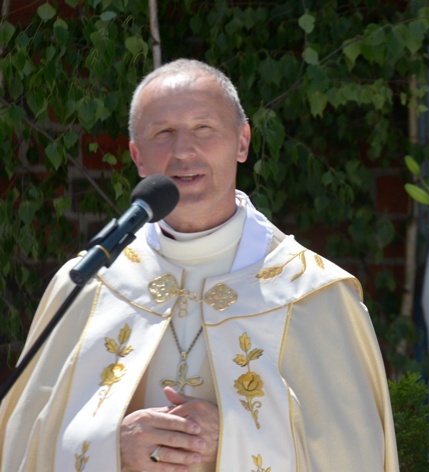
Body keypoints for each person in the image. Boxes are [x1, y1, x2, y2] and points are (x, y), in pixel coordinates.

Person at [0, 58, 399, 471]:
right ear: (137, 156)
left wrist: (232, 441)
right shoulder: (88, 284)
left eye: (204, 129)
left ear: (242, 142)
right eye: (163, 133)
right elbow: (22, 442)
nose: (183, 151)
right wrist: (110, 447)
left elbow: (352, 453)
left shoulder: (313, 293)